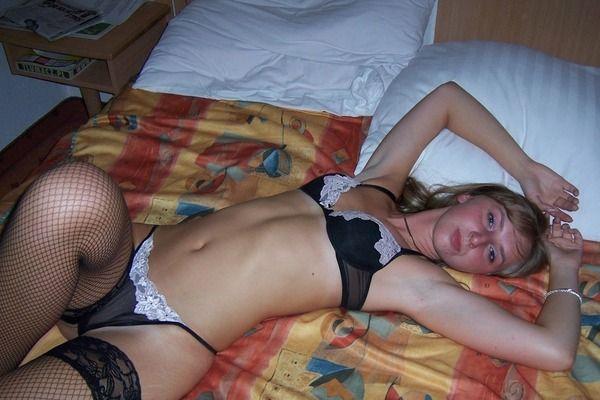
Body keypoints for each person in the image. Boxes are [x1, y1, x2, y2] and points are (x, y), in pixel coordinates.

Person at [0, 82, 583, 400]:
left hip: (154, 341)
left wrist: (563, 267)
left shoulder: (417, 282)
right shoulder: (378, 181)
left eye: (492, 254)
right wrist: (526, 170)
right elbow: (448, 99)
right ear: (469, 197)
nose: (479, 238)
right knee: (70, 191)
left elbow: (554, 351)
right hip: (131, 254)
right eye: (492, 219)